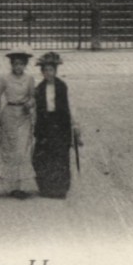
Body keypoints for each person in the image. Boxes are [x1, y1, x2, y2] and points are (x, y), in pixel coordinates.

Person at [32, 51, 82, 199]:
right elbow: (36, 109)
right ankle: (46, 188)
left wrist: (75, 125)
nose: (48, 73)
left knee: (60, 156)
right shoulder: (39, 88)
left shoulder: (62, 87)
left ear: (55, 71)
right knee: (43, 156)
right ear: (42, 72)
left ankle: (60, 188)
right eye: (45, 70)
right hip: (45, 125)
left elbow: (70, 106)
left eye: (51, 70)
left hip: (60, 124)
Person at [0, 45, 37, 198]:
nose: (18, 67)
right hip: (9, 114)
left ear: (25, 65)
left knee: (22, 151)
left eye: (21, 64)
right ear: (11, 65)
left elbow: (33, 96)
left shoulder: (29, 79)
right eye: (15, 64)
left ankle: (21, 186)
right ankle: (11, 186)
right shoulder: (5, 79)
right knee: (10, 150)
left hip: (24, 117)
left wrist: (30, 103)